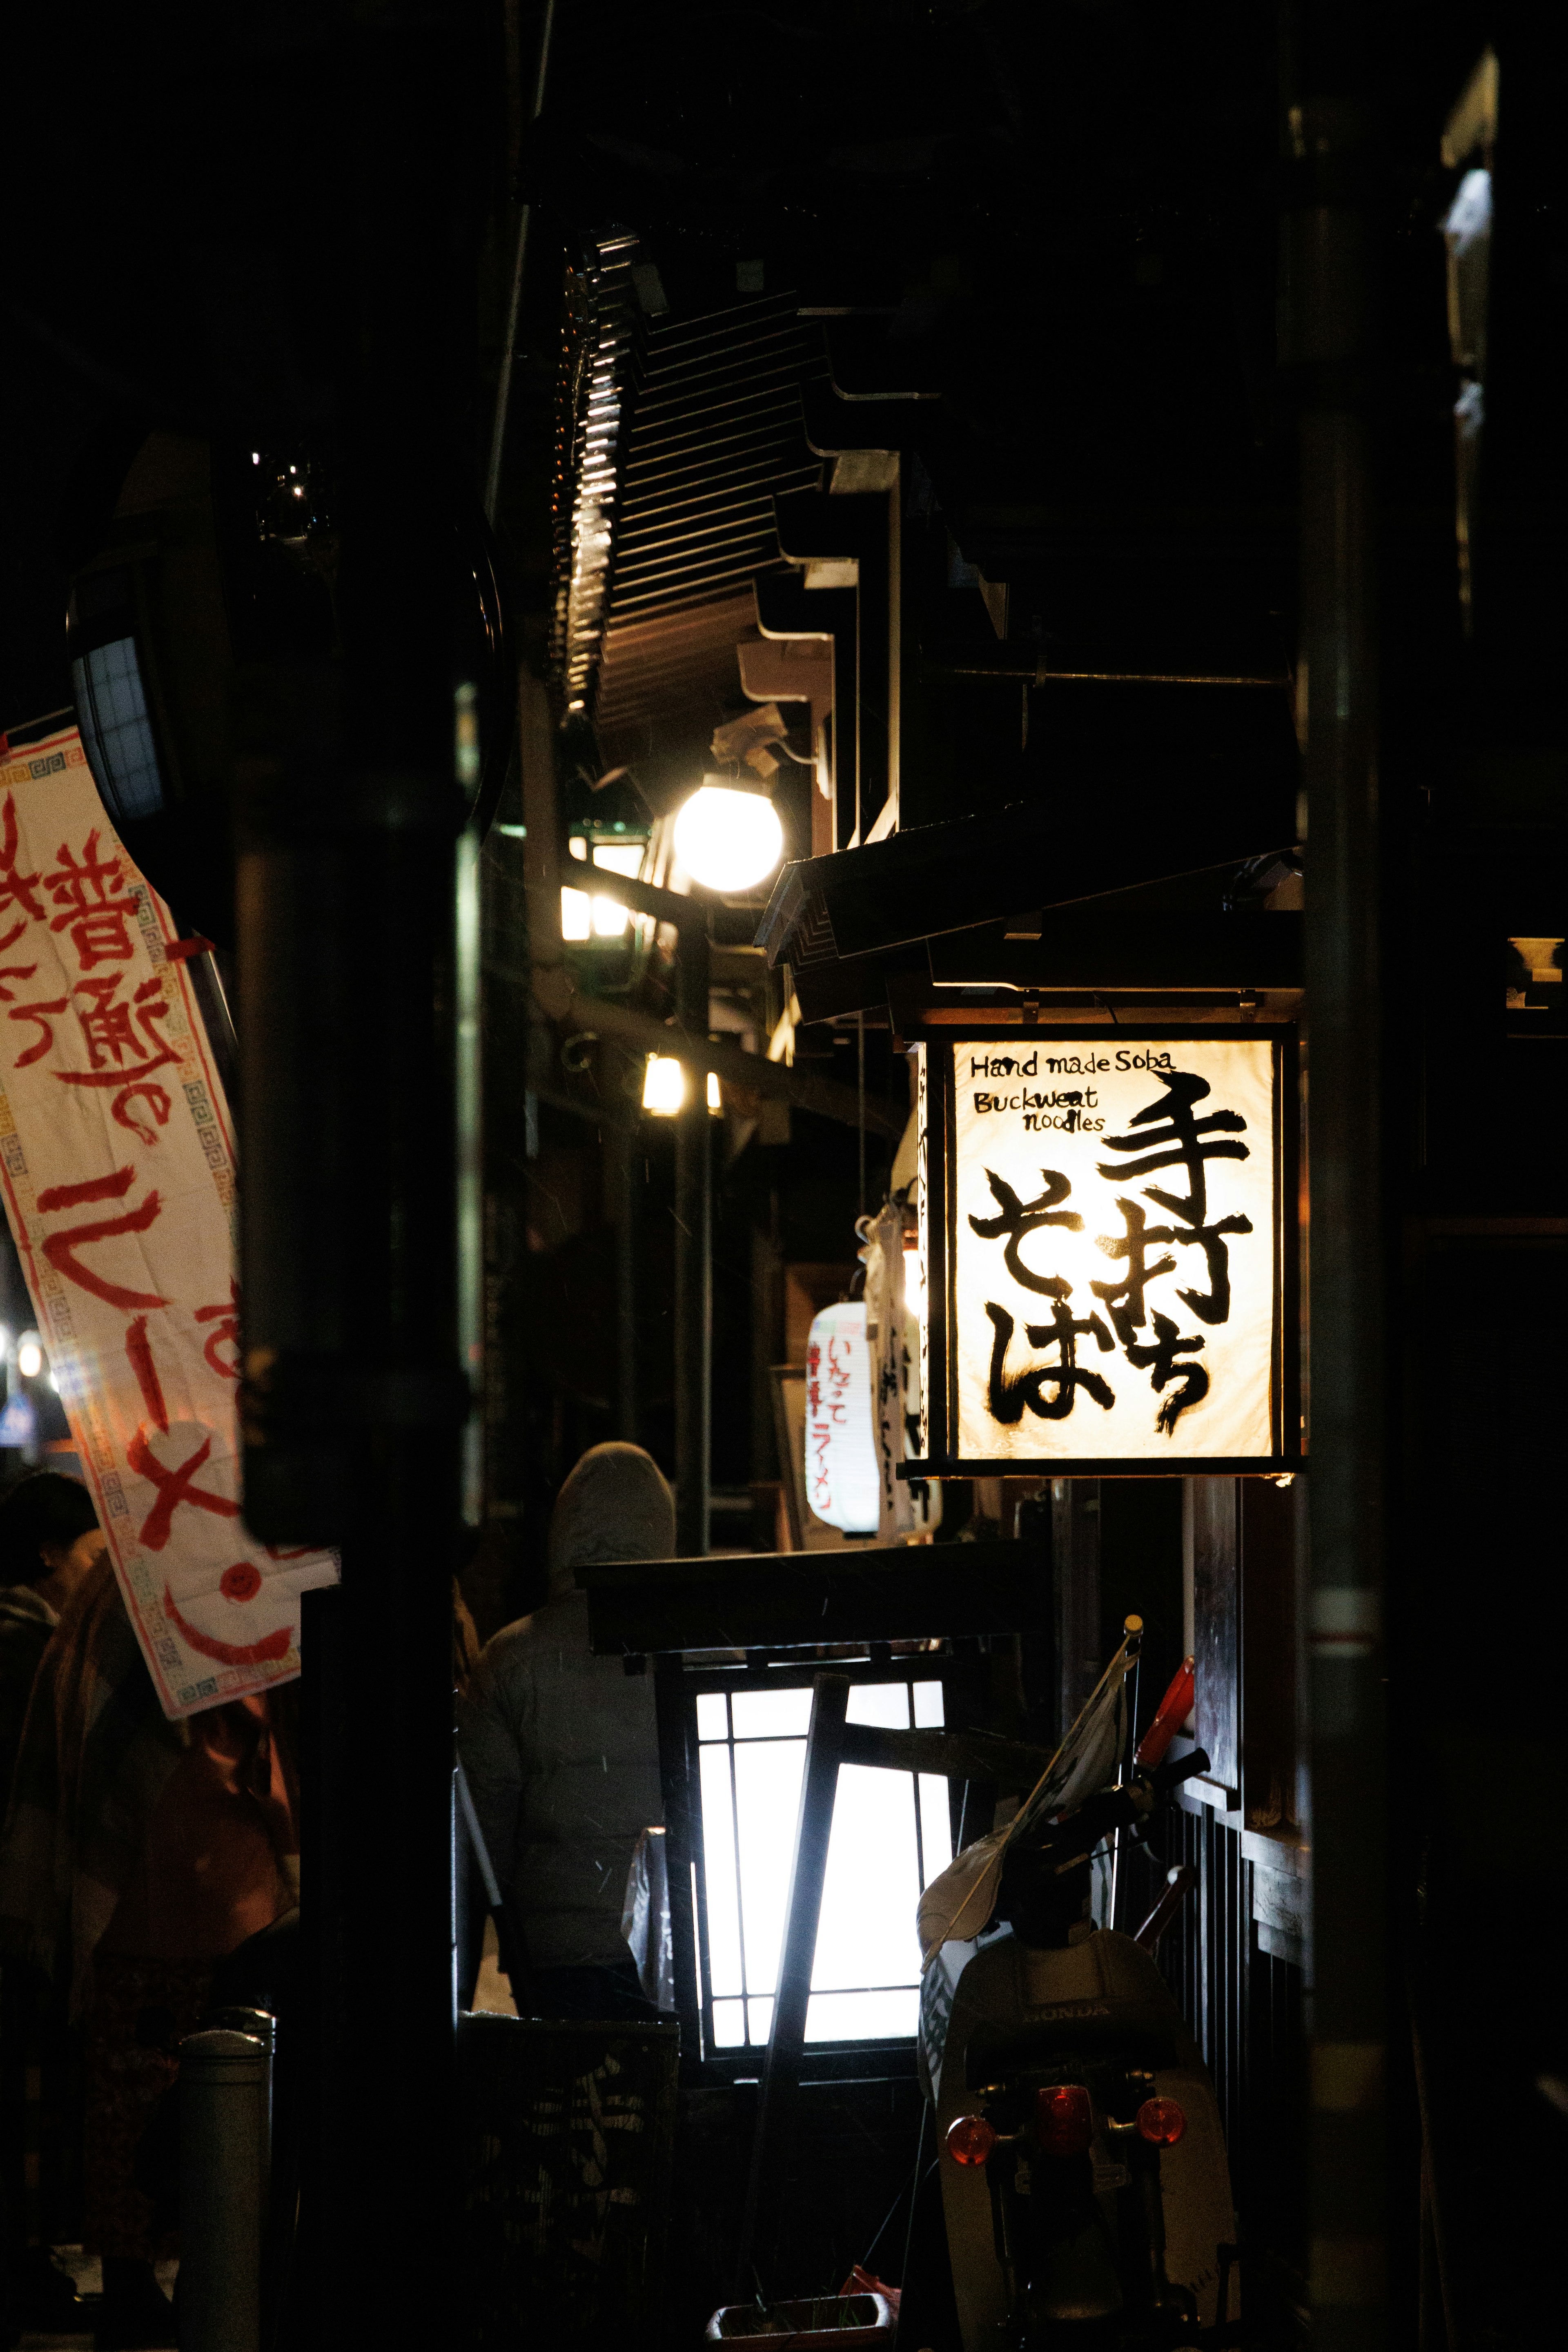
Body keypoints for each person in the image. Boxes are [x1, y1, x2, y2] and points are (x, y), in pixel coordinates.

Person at [0, 1546, 298, 2348]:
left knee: (127, 2108)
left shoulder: (112, 1584)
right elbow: (256, 1766)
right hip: (224, 1912)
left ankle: (131, 2284)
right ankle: (213, 2273)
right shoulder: (225, 1594)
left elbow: (85, 1737)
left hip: (122, 1905)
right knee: (219, 2107)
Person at [459, 1442, 674, 2021]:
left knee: (569, 2100)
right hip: (673, 1945)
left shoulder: (510, 1658)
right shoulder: (696, 1652)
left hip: (554, 1957)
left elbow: (485, 1833)